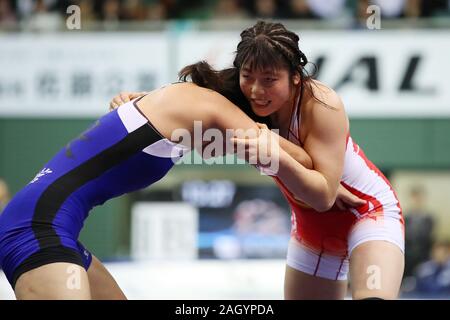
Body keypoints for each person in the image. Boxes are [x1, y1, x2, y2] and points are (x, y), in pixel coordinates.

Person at [113, 20, 405, 300]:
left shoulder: (322, 103)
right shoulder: (238, 98)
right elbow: (181, 103)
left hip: (366, 212)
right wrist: (139, 102)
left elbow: (324, 196)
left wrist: (273, 151)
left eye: (269, 80)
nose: (255, 90)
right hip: (311, 227)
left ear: (295, 76)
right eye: (248, 76)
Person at [0, 78, 360, 300]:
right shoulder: (211, 105)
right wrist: (331, 179)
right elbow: (295, 157)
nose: (228, 150)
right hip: (36, 231)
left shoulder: (178, 100)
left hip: (48, 228)